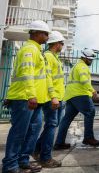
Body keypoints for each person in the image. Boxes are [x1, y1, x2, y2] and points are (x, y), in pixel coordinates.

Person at [2, 20, 54, 173]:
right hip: (25, 98)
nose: (47, 37)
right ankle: (10, 165)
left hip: (35, 100)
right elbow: (27, 74)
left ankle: (23, 161)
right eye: (45, 34)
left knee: (33, 131)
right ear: (37, 34)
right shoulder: (29, 50)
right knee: (19, 133)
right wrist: (31, 95)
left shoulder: (37, 51)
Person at [54, 49, 99, 149]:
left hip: (71, 95)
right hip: (80, 94)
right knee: (90, 112)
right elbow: (84, 81)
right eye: (90, 59)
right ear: (85, 58)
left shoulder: (76, 65)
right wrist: (93, 90)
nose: (91, 61)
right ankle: (88, 138)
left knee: (66, 119)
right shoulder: (82, 66)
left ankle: (59, 142)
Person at [33, 31, 65, 168]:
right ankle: (45, 158)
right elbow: (48, 79)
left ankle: (37, 149)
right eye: (62, 43)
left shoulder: (54, 57)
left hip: (58, 97)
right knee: (51, 125)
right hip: (53, 98)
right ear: (57, 44)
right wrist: (54, 97)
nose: (63, 46)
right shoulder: (48, 56)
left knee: (52, 125)